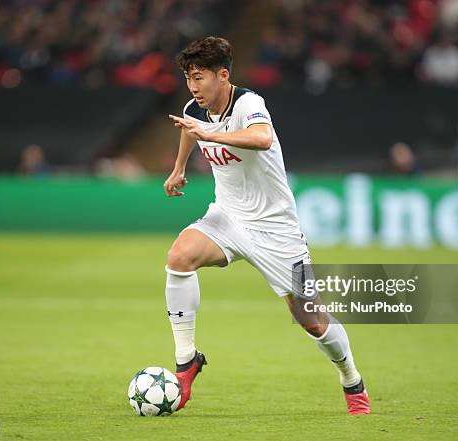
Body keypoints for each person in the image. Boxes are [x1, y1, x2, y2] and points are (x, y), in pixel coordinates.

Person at [163, 36, 371, 415]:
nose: (193, 86)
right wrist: (178, 169)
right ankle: (186, 362)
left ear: (222, 75)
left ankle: (351, 377)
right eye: (188, 78)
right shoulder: (195, 106)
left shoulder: (249, 104)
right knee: (179, 257)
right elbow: (188, 126)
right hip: (227, 218)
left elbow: (262, 137)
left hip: (276, 230)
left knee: (312, 320)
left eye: (199, 77)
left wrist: (212, 134)